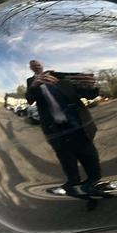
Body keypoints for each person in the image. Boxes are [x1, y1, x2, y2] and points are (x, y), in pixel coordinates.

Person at [25, 59, 101, 195]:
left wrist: (90, 86)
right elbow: (30, 100)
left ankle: (94, 186)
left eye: (37, 64)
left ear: (42, 65)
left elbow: (89, 95)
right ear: (31, 68)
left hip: (78, 126)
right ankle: (77, 190)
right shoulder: (31, 81)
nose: (35, 66)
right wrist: (34, 86)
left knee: (90, 159)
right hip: (55, 130)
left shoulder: (60, 76)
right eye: (33, 65)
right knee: (68, 164)